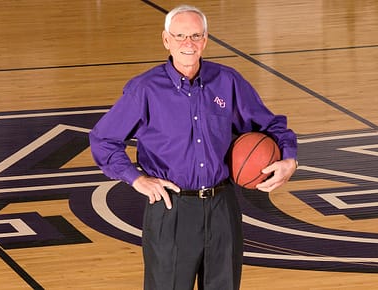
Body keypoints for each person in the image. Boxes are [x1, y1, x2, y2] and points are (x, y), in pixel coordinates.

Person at [89, 4, 297, 290]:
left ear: (206, 40)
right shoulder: (144, 89)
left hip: (222, 206)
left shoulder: (228, 81)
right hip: (171, 208)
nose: (188, 44)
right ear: (166, 40)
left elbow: (270, 125)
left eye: (196, 36)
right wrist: (136, 179)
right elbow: (103, 139)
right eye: (180, 36)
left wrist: (289, 159)